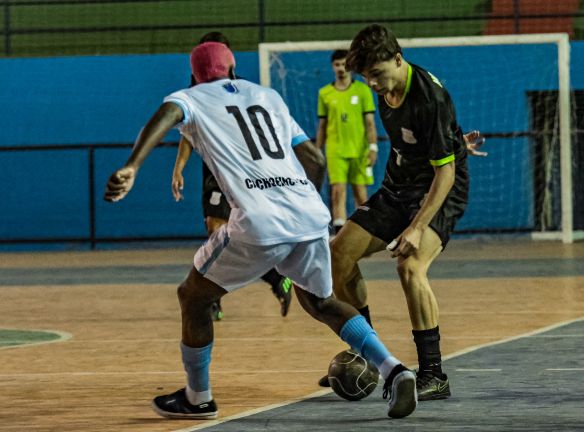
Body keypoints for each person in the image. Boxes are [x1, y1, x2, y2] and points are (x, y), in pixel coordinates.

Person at [104, 41, 418, 419]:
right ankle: (395, 369)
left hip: (259, 219)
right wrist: (297, 203)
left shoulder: (191, 96)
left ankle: (197, 397)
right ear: (234, 69)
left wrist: (133, 165)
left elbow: (166, 114)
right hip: (308, 213)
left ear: (194, 77)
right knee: (320, 302)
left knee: (193, 296)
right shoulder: (267, 96)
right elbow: (314, 159)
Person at [319, 23, 477, 401]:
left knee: (410, 266)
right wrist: (454, 139)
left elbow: (446, 171)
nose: (372, 83)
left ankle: (434, 374)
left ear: (398, 59)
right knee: (338, 254)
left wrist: (417, 227)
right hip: (398, 187)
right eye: (366, 77)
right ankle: (370, 356)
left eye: (377, 74)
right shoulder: (386, 89)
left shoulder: (428, 98)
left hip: (440, 190)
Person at [173, 31, 294, 320]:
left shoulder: (245, 90)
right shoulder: (196, 89)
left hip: (243, 172)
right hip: (215, 173)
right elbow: (189, 132)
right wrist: (178, 167)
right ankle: (223, 294)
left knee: (231, 235)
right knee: (218, 232)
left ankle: (264, 281)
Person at [316, 49, 378, 234]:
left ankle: (364, 231)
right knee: (337, 192)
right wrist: (317, 150)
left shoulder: (363, 90)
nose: (341, 68)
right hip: (335, 150)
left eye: (344, 64)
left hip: (359, 150)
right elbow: (322, 125)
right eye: (337, 65)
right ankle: (340, 232)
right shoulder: (325, 93)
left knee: (360, 193)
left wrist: (373, 147)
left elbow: (370, 123)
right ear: (332, 67)